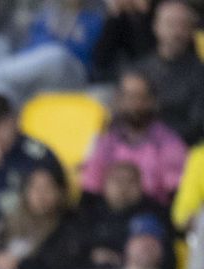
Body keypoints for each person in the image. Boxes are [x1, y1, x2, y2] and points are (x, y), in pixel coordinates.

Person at [0, 0, 100, 103]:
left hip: (71, 73)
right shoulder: (47, 13)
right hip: (39, 73)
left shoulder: (94, 18)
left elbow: (96, 59)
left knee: (54, 53)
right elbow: (28, 48)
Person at [79, 71, 187, 204]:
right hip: (109, 211)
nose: (133, 104)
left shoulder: (170, 143)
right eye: (128, 96)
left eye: (139, 97)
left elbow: (174, 193)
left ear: (152, 101)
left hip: (153, 210)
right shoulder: (105, 140)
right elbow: (90, 188)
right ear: (118, 99)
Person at [0, 92, 64, 222]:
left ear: (14, 121)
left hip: (28, 225)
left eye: (0, 125)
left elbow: (32, 204)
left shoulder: (37, 156)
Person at [132, 1, 204, 145]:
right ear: (156, 27)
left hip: (182, 146)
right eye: (170, 24)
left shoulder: (200, 74)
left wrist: (160, 141)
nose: (176, 32)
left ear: (191, 31)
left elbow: (197, 125)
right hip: (139, 147)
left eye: (183, 25)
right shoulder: (139, 71)